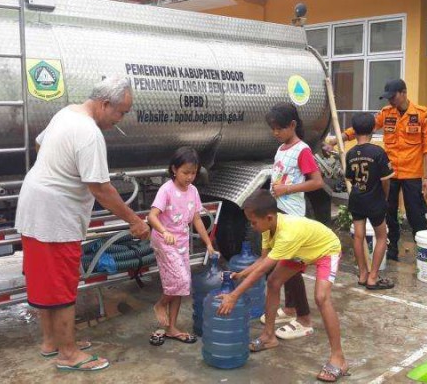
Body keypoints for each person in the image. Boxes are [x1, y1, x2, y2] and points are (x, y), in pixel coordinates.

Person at [15, 76, 150, 372]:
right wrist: (135, 222)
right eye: (121, 112)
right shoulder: (89, 133)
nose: (121, 119)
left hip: (36, 207)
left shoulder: (66, 113)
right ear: (104, 104)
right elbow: (101, 188)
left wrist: (59, 172)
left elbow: (40, 146)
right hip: (54, 216)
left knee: (47, 281)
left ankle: (52, 343)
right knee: (63, 284)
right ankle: (68, 354)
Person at [218, 190, 348, 383]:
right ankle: (269, 336)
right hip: (300, 250)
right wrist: (242, 274)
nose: (252, 227)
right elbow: (263, 261)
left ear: (269, 217)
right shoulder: (267, 228)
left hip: (325, 250)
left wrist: (234, 296)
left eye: (253, 222)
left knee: (321, 297)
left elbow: (262, 270)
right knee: (274, 282)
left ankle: (339, 358)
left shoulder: (287, 234)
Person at [329, 79, 427, 261]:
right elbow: (364, 128)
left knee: (416, 214)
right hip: (390, 173)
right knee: (389, 212)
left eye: (393, 97)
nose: (390, 102)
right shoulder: (387, 113)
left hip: (413, 174)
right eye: (388, 98)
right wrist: (341, 138)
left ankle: (425, 254)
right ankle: (392, 250)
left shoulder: (423, 115)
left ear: (403, 93)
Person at [146, 146, 218, 345]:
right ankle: (160, 305)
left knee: (178, 286)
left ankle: (171, 328)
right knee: (182, 280)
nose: (189, 177)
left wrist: (208, 244)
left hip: (181, 243)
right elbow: (152, 216)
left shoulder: (193, 191)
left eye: (193, 173)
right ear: (174, 169)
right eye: (185, 172)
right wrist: (165, 231)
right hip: (164, 241)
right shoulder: (166, 189)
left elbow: (196, 219)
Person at [265, 102, 324, 340]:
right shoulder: (281, 148)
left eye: (279, 128)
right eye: (272, 129)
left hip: (294, 216)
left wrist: (287, 189)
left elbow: (317, 182)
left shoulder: (303, 150)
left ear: (292, 125)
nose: (275, 132)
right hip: (280, 214)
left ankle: (304, 318)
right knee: (284, 266)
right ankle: (289, 308)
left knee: (291, 269)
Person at [345, 113, 395, 290]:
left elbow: (351, 179)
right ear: (374, 129)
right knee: (382, 236)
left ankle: (362, 274)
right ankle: (373, 277)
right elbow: (386, 180)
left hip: (357, 199)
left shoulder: (350, 153)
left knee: (358, 237)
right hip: (374, 201)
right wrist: (385, 198)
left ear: (355, 131)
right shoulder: (378, 152)